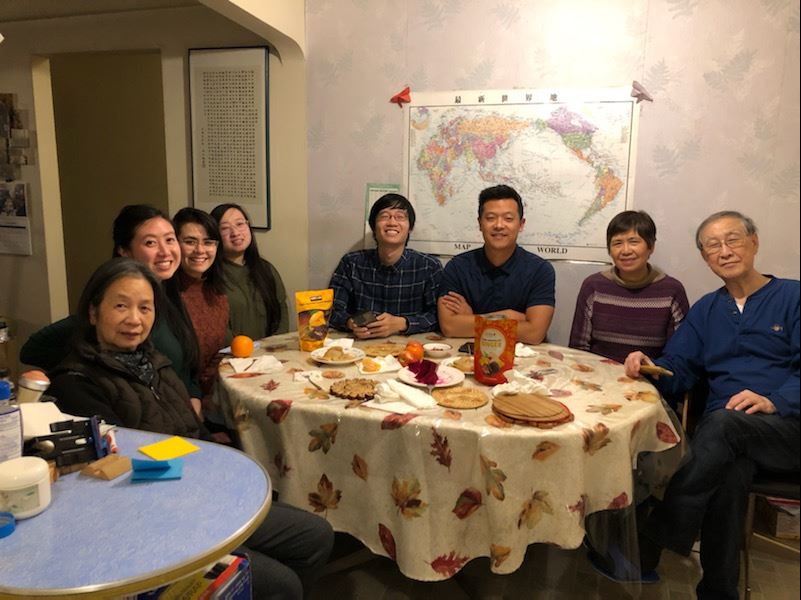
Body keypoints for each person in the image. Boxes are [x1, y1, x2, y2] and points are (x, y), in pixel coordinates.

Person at [48, 258, 334, 600]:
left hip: (206, 490)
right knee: (281, 585)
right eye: (121, 306)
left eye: (145, 307)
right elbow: (118, 474)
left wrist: (225, 468)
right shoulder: (76, 383)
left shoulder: (154, 362)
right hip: (161, 519)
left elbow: (193, 430)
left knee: (316, 535)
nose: (134, 319)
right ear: (93, 312)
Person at [624, 211, 799, 599]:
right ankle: (719, 591)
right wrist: (649, 366)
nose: (724, 251)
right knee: (730, 471)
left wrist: (775, 401)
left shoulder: (793, 296)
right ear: (705, 258)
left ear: (754, 242)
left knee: (723, 425)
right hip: (727, 441)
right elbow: (679, 368)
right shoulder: (707, 309)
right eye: (712, 246)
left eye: (733, 239)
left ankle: (656, 534)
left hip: (788, 428)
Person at [20, 205, 203, 407]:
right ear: (124, 251)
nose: (165, 251)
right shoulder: (109, 308)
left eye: (169, 240)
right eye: (150, 242)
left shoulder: (170, 294)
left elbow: (187, 363)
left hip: (180, 412)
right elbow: (33, 349)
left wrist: (193, 397)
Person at [437, 184, 555, 345]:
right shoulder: (457, 267)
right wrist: (507, 316)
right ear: (480, 223)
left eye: (508, 218)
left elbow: (534, 333)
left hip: (524, 356)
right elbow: (449, 327)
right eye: (491, 218)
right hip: (468, 355)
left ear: (521, 224)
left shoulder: (540, 270)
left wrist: (470, 319)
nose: (499, 225)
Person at [569, 210, 689, 364]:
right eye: (617, 243)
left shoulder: (672, 290)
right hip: (599, 375)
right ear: (609, 249)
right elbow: (578, 349)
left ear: (651, 246)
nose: (625, 251)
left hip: (649, 376)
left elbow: (679, 355)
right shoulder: (593, 286)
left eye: (634, 242)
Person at [328, 193, 443, 338]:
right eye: (384, 216)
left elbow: (439, 317)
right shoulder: (351, 263)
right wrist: (352, 323)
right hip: (360, 347)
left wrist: (403, 324)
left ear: (410, 228)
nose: (392, 222)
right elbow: (331, 311)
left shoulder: (429, 266)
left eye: (400, 217)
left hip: (411, 347)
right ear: (374, 227)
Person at [171, 207, 232, 437]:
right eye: (190, 242)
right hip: (179, 404)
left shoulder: (216, 293)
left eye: (208, 242)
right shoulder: (166, 295)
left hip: (210, 399)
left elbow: (214, 353)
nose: (200, 250)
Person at [210, 203, 289, 339]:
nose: (235, 233)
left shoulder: (266, 269)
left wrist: (275, 344)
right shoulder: (210, 275)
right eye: (225, 228)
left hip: (270, 350)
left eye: (240, 224)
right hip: (233, 351)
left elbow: (281, 310)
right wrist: (242, 348)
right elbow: (215, 326)